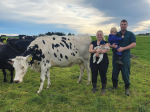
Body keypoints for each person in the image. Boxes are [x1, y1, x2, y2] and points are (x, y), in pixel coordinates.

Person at [109, 19, 136, 96]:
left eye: (124, 24)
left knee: (125, 72)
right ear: (120, 25)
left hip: (125, 56)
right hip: (116, 56)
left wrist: (122, 48)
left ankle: (127, 88)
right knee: (114, 71)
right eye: (122, 24)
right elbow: (110, 42)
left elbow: (134, 44)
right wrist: (112, 46)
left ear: (127, 25)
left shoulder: (130, 34)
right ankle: (115, 86)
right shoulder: (115, 34)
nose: (123, 26)